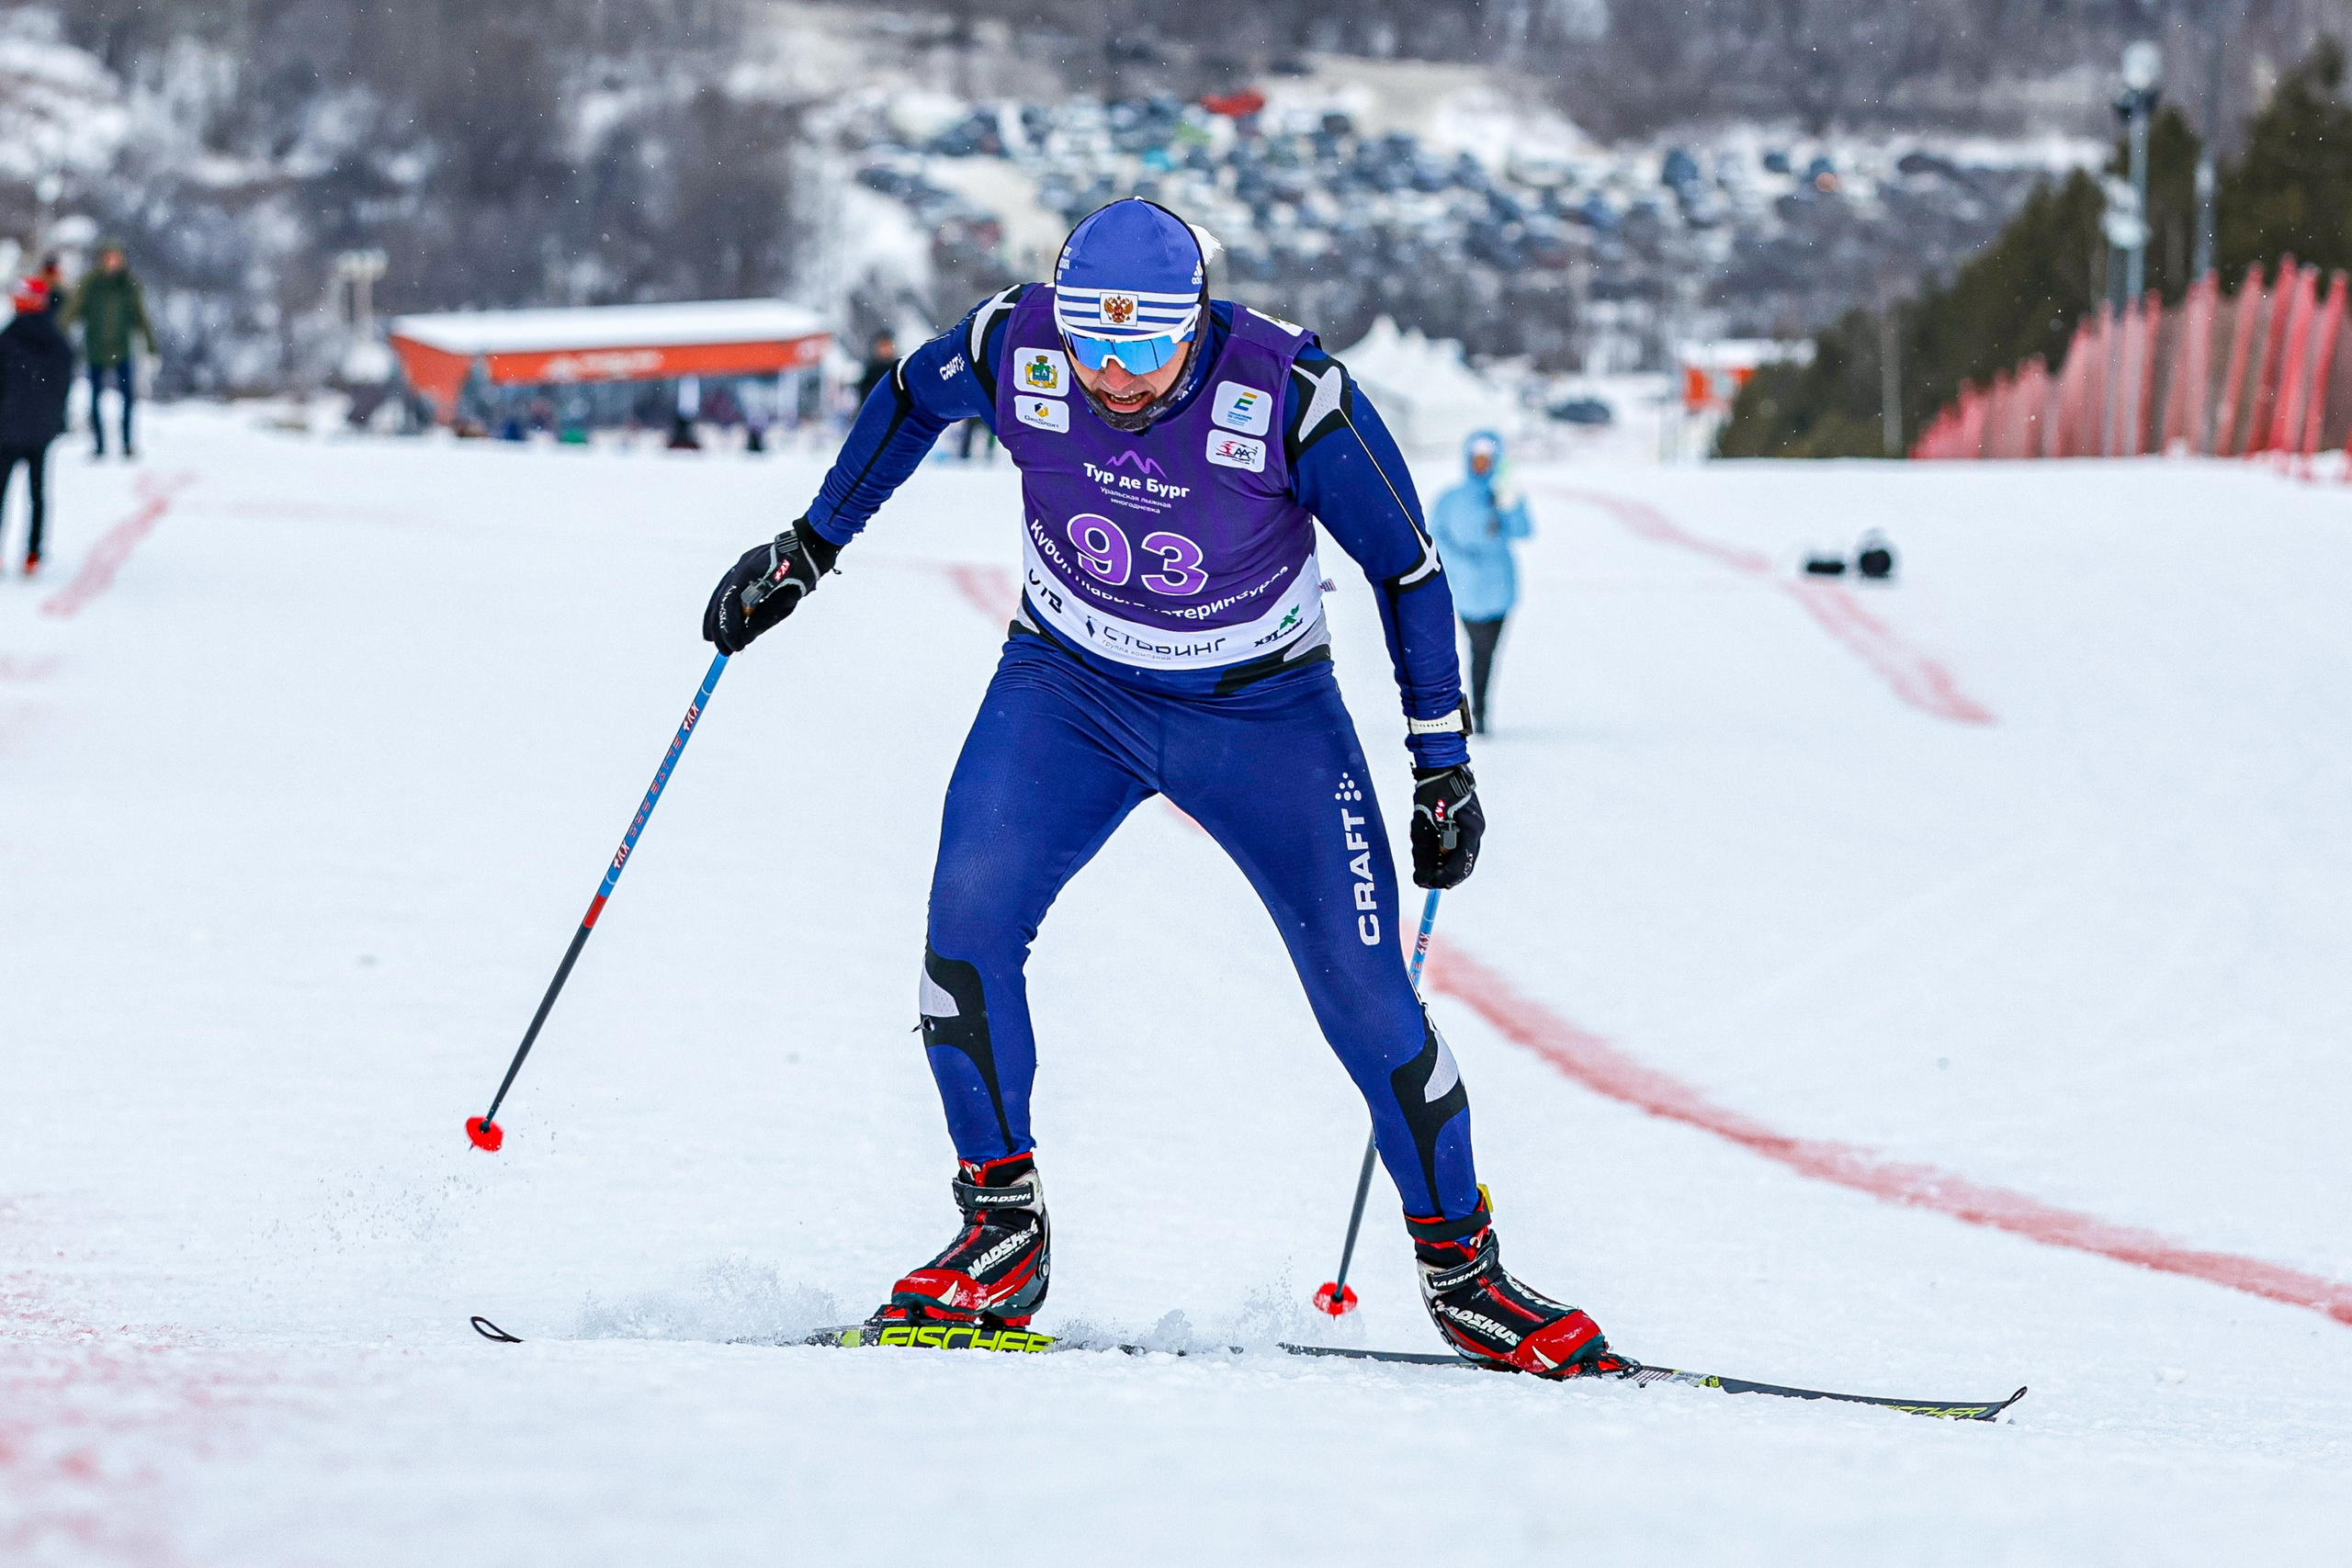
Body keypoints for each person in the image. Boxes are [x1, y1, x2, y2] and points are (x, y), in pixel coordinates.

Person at [701, 199, 1625, 1379]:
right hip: (1068, 691)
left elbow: (1406, 568)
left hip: (1262, 716)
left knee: (1365, 999)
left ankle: (1466, 1276)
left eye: (1146, 347)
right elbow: (907, 399)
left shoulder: (1290, 395)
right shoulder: (1013, 342)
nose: (1117, 375)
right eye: (1094, 345)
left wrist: (1440, 762)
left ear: (1197, 321)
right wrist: (810, 544)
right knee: (964, 931)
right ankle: (1001, 1232)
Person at [1427, 430, 1532, 735]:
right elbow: (1436, 537)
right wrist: (1463, 563)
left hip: (1500, 589)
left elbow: (1523, 531)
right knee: (1473, 651)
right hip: (1467, 590)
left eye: (1489, 459)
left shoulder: (1502, 495)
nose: (1482, 464)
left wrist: (1512, 503)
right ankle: (1468, 709)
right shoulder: (1451, 499)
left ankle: (1480, 710)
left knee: (1487, 654)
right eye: (1478, 458)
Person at [0, 276, 74, 576]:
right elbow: (63, 386)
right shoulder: (58, 341)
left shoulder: (8, 337)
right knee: (38, 493)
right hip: (41, 431)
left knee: (1, 491)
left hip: (6, 430)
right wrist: (55, 418)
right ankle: (33, 552)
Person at [62, 240, 156, 458]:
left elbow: (141, 316)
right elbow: (72, 311)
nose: (112, 262)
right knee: (95, 397)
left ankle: (127, 443)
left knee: (127, 398)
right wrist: (55, 334)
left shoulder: (129, 284)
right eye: (108, 257)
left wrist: (151, 347)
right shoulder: (90, 283)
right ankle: (99, 445)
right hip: (95, 348)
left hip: (122, 348)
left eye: (116, 257)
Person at [854, 330, 897, 407]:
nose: (886, 350)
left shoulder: (898, 369)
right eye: (883, 346)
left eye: (888, 346)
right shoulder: (871, 372)